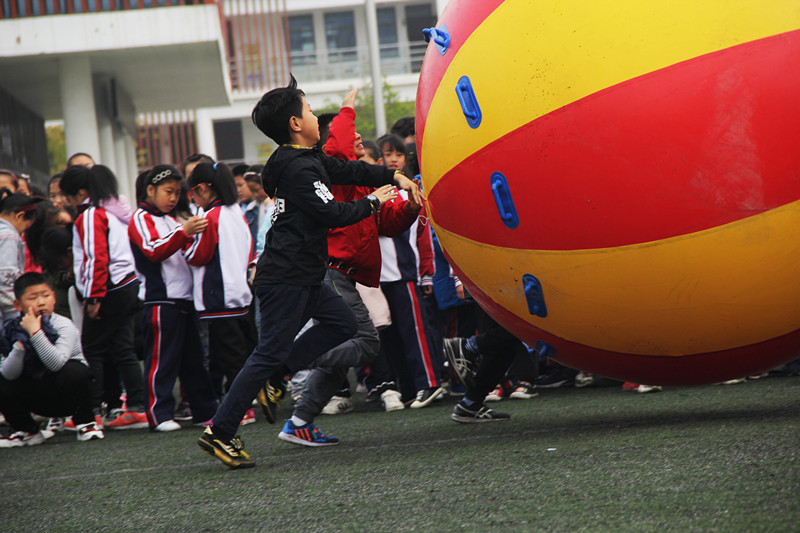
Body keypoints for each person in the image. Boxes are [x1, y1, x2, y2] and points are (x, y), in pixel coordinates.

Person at [197, 75, 420, 469]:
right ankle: (221, 429)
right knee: (267, 354)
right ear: (296, 125)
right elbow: (333, 213)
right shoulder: (299, 169)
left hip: (306, 273)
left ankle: (275, 376)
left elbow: (350, 171)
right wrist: (374, 202)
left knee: (342, 324)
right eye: (311, 111)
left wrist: (392, 175)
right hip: (286, 276)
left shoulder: (305, 159)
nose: (317, 117)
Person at [283, 88, 420, 424]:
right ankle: (285, 366)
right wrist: (347, 107)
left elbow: (386, 222)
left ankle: (299, 422)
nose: (358, 134)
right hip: (331, 273)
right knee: (367, 342)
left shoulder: (357, 180)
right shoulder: (330, 169)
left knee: (343, 352)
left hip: (342, 275)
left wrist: (412, 207)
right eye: (351, 130)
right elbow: (340, 145)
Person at [129, 165, 219, 432]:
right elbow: (153, 250)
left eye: (177, 192)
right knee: (161, 360)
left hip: (185, 300)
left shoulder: (172, 219)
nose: (173, 197)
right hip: (160, 300)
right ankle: (159, 415)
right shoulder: (140, 217)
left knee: (193, 361)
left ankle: (204, 411)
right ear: (149, 190)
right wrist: (185, 231)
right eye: (168, 191)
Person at [60, 164, 148, 430]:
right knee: (123, 348)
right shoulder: (112, 212)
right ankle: (136, 407)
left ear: (81, 192)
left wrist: (94, 297)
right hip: (127, 284)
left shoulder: (90, 216)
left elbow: (97, 258)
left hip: (109, 288)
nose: (65, 201)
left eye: (68, 195)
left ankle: (90, 412)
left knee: (93, 349)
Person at [185, 162, 258, 425]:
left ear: (203, 189)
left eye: (192, 192)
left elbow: (198, 255)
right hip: (239, 292)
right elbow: (250, 249)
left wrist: (185, 242)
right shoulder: (235, 211)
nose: (191, 198)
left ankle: (240, 409)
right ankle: (241, 405)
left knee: (229, 359)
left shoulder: (210, 217)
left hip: (218, 296)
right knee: (236, 354)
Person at [0, 273, 103, 446]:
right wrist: (19, 348)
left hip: (67, 397)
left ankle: (86, 423)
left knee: (76, 370)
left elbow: (56, 364)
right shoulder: (11, 329)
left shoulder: (64, 324)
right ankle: (28, 431)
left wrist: (35, 333)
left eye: (46, 296)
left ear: (53, 298)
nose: (41, 302)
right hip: (36, 398)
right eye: (33, 298)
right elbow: (8, 375)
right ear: (17, 304)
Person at [0, 191, 37, 323]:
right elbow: (5, 276)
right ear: (20, 216)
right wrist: (14, 312)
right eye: (26, 228)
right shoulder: (8, 235)